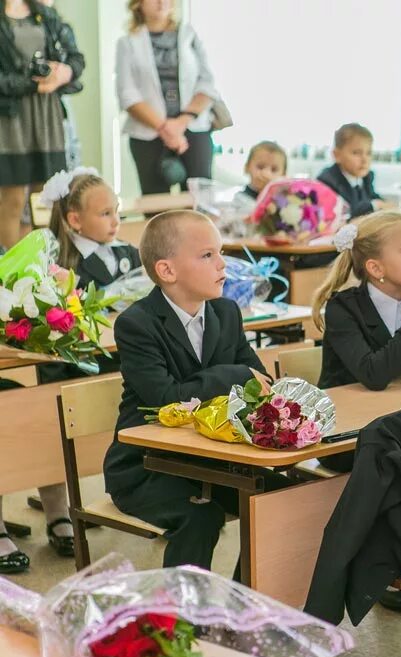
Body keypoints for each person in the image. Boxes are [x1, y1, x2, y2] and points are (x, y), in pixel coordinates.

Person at [103, 210, 292, 571]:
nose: (223, 264)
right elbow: (166, 398)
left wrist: (242, 378)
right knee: (201, 517)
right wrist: (234, 374)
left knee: (279, 496)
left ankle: (244, 607)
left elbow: (260, 382)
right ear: (167, 271)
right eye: (207, 255)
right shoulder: (137, 324)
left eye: (220, 252)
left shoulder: (226, 313)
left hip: (213, 459)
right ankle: (180, 624)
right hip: (148, 468)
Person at [314, 211, 401, 391]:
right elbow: (374, 376)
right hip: (346, 410)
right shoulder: (342, 308)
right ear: (376, 268)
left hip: (389, 407)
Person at [0, 0, 84, 250]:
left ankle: (47, 269)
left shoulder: (47, 16)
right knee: (11, 198)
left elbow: (76, 59)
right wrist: (31, 84)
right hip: (10, 117)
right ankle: (8, 277)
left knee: (47, 197)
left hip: (47, 114)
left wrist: (63, 73)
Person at [115, 0, 218, 194]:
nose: (162, 2)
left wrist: (180, 123)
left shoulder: (190, 36)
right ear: (138, 4)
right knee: (156, 206)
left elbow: (207, 83)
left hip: (193, 129)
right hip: (147, 134)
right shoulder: (127, 43)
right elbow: (127, 94)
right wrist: (165, 128)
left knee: (200, 202)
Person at [44, 167, 140, 289]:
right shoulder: (62, 263)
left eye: (116, 211)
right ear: (75, 220)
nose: (116, 221)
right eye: (105, 213)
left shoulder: (130, 253)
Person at [317, 123, 391, 218]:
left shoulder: (367, 177)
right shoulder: (327, 181)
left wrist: (385, 204)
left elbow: (372, 196)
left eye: (369, 153)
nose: (365, 160)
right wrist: (375, 205)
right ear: (337, 155)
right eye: (356, 153)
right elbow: (345, 213)